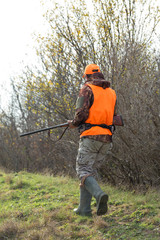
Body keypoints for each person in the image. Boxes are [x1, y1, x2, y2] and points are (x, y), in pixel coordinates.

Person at [68, 64, 117, 216]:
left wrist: (73, 124)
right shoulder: (111, 93)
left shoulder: (87, 89)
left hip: (90, 136)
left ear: (88, 76)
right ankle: (84, 209)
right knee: (90, 172)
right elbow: (113, 115)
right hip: (107, 139)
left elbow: (81, 114)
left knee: (83, 170)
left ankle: (99, 195)